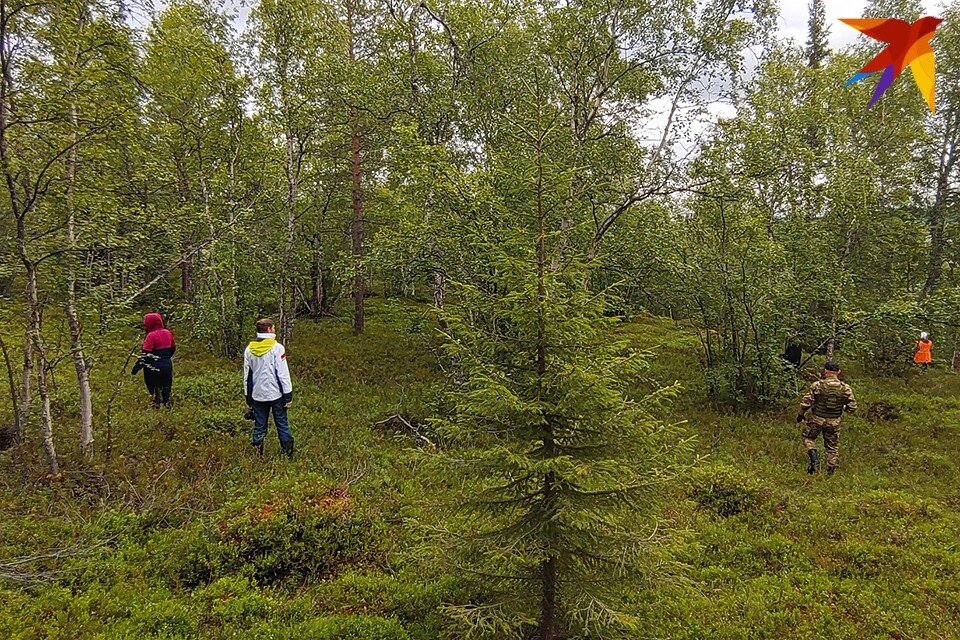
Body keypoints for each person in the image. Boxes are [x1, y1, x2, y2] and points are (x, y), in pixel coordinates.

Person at [243, 318, 294, 458]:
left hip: (257, 395)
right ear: (269, 329)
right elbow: (283, 374)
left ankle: (257, 455)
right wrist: (288, 396)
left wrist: (248, 397)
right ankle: (287, 455)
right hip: (276, 394)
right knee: (282, 423)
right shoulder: (277, 348)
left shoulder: (249, 350)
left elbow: (247, 376)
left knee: (259, 425)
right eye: (273, 328)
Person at [796, 361, 857, 476]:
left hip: (816, 419)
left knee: (808, 438)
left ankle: (813, 454)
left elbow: (806, 403)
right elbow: (852, 407)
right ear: (838, 372)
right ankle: (830, 471)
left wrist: (800, 414)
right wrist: (842, 407)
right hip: (834, 421)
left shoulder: (817, 385)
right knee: (832, 446)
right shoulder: (845, 388)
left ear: (825, 371)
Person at [132, 312, 176, 408]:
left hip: (153, 368)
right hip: (167, 365)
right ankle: (168, 407)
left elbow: (145, 355)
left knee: (155, 389)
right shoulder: (168, 333)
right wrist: (166, 358)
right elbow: (173, 348)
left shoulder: (150, 336)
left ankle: (156, 406)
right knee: (166, 388)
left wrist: (136, 368)